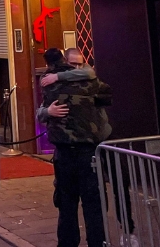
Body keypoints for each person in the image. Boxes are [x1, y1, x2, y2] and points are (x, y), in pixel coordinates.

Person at [37, 48, 112, 247]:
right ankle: (98, 243)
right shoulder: (91, 81)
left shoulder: (49, 83)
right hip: (89, 153)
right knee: (93, 204)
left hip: (64, 153)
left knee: (67, 204)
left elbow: (42, 111)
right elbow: (105, 95)